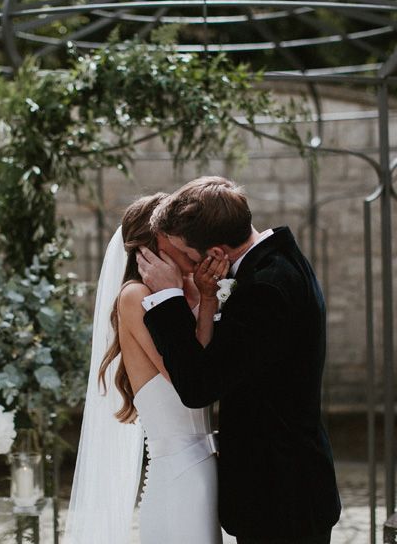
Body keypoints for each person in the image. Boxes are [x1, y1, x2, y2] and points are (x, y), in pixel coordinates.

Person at [136, 176, 341, 544]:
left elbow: (199, 386)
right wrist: (208, 299)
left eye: (184, 253)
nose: (183, 265)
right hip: (285, 491)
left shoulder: (265, 289)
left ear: (215, 251)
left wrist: (168, 298)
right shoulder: (278, 262)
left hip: (280, 497)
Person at [64, 193, 228, 544]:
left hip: (204, 471)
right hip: (181, 478)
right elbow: (186, 373)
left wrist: (202, 297)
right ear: (153, 244)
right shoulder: (135, 296)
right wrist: (201, 301)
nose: (192, 247)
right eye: (179, 237)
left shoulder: (179, 296)